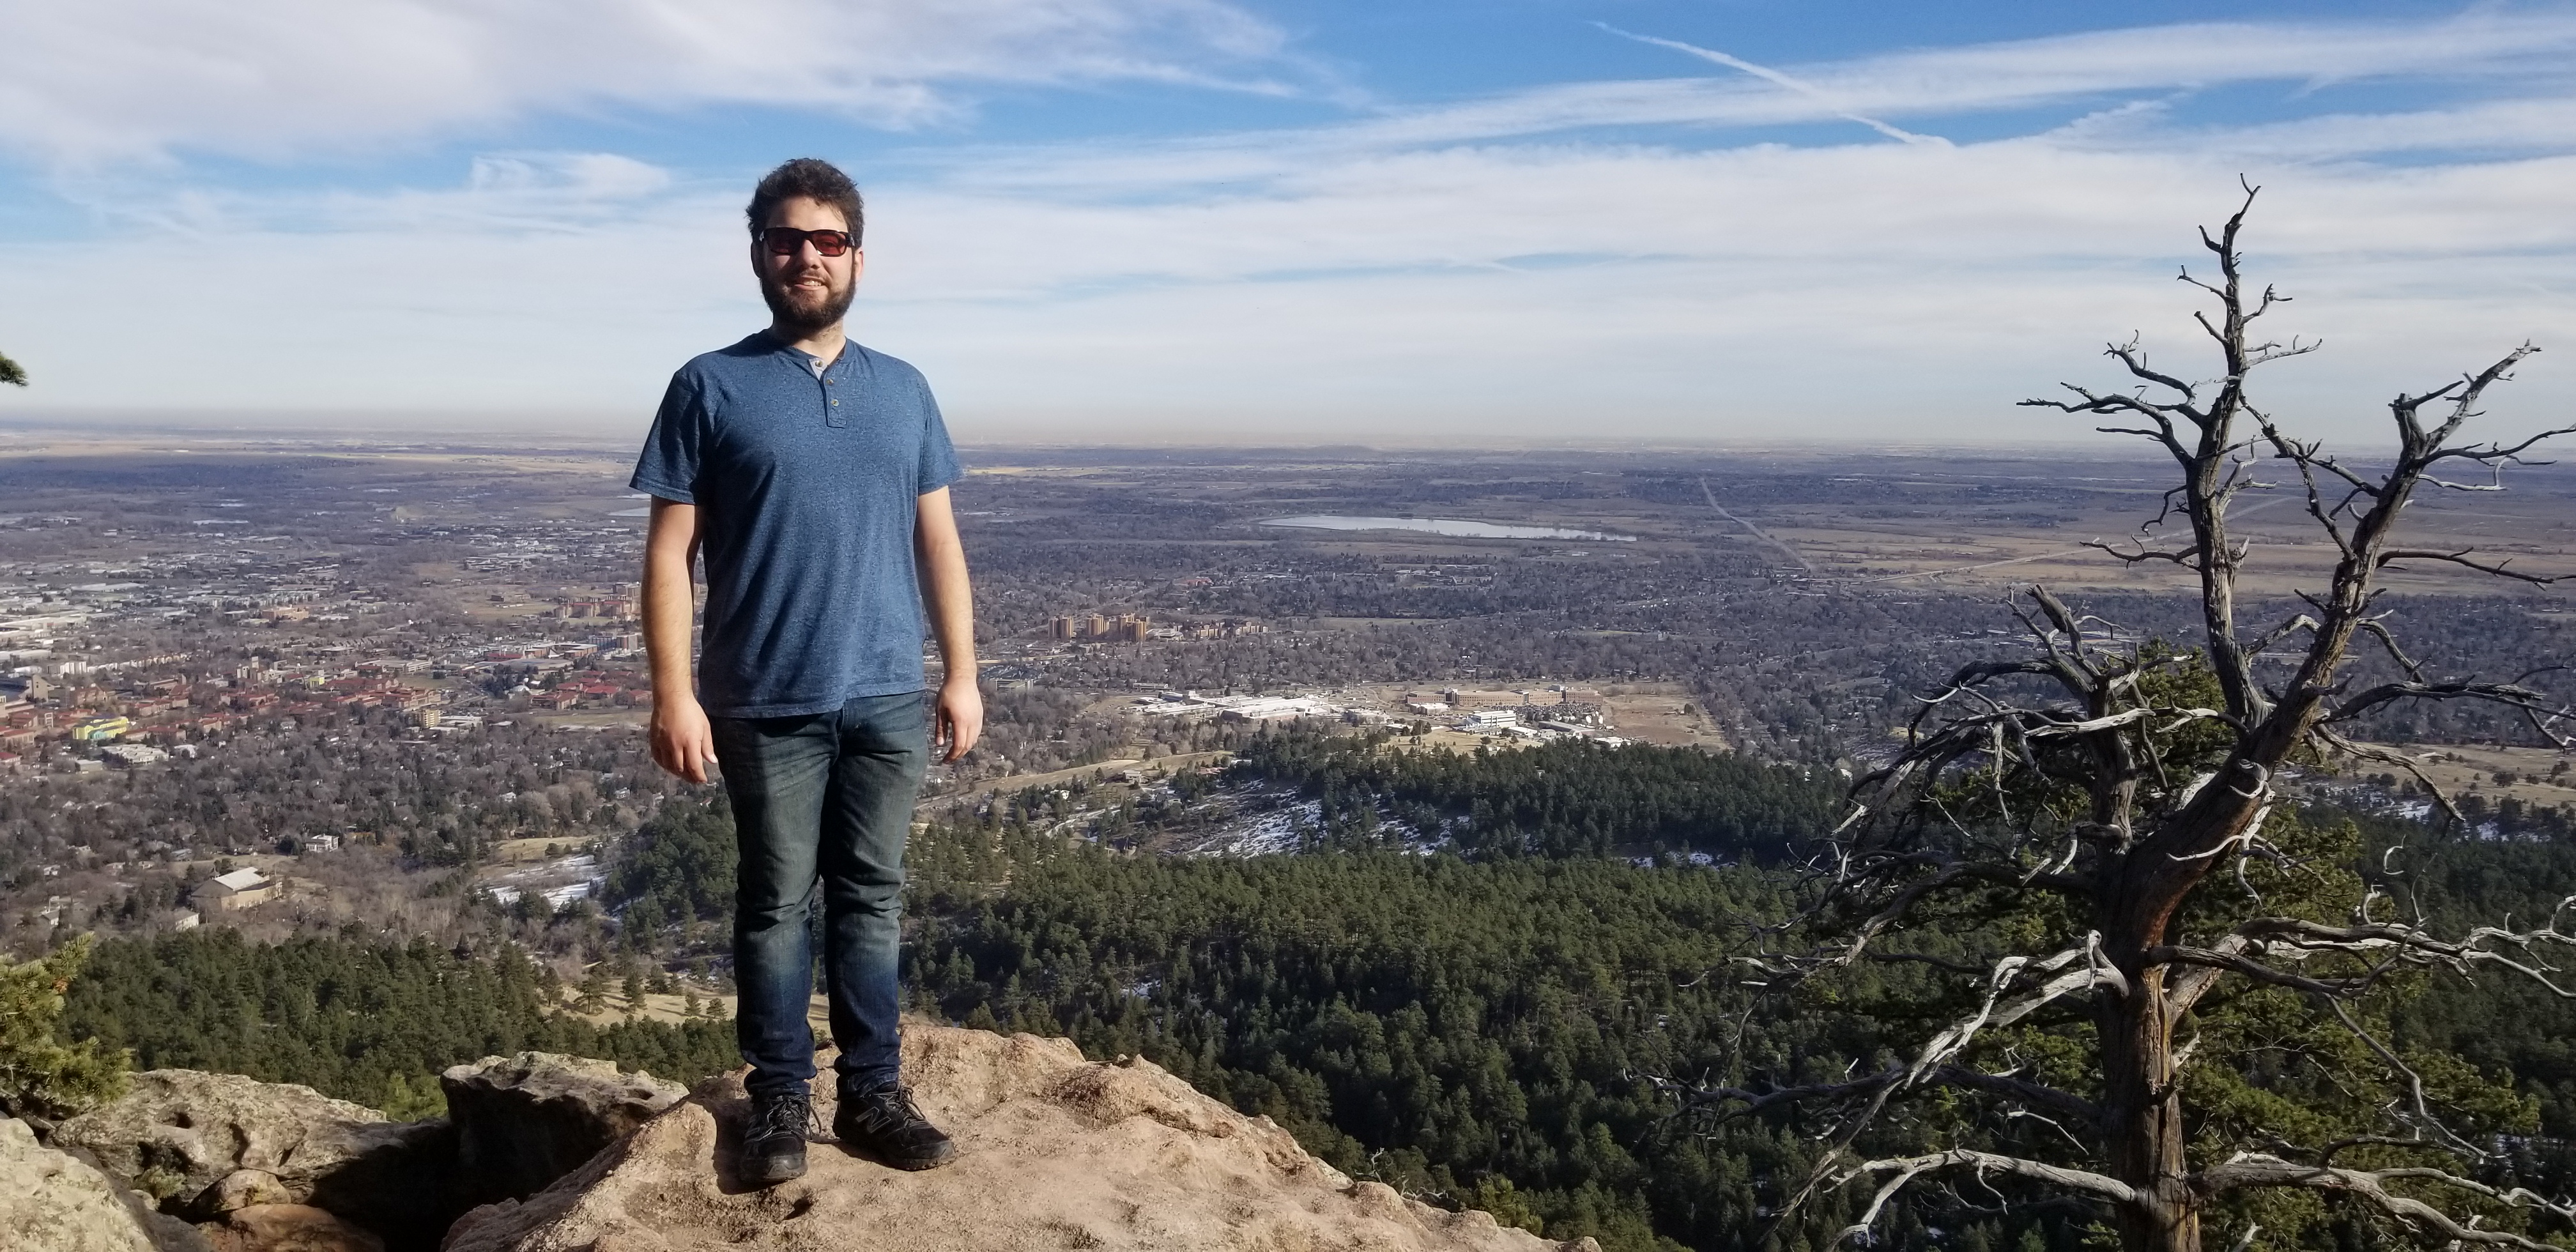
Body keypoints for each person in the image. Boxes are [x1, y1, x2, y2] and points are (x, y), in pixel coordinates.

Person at [631, 157, 981, 1184]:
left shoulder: (905, 389)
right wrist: (672, 691)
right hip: (763, 695)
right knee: (777, 901)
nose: (808, 257)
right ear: (759, 254)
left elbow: (940, 544)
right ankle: (779, 1097)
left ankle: (873, 1093)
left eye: (828, 240)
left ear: (858, 257)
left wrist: (960, 673)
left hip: (885, 693)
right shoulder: (710, 385)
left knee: (873, 897)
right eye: (787, 239)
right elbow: (667, 555)